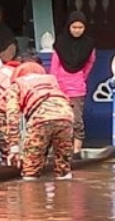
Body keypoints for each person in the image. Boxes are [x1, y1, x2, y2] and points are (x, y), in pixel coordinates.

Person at [6, 62, 74, 180]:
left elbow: (12, 117)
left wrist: (14, 148)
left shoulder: (17, 84)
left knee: (31, 169)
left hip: (40, 118)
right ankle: (66, 192)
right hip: (66, 115)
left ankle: (32, 194)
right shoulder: (51, 80)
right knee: (63, 167)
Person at [50, 11, 96, 152]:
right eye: (74, 27)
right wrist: (54, 85)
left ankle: (76, 150)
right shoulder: (61, 43)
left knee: (76, 120)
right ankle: (59, 149)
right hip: (59, 87)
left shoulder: (88, 44)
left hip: (77, 87)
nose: (77, 30)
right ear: (68, 27)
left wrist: (81, 77)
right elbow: (54, 66)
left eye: (80, 27)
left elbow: (89, 63)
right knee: (58, 119)